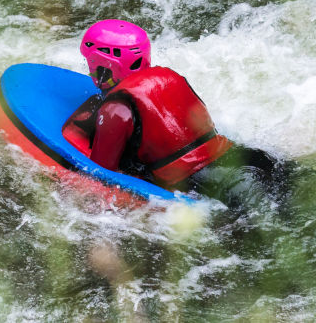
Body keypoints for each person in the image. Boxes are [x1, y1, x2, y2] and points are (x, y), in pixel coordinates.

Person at [62, 19, 290, 207]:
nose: (90, 71)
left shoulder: (116, 110)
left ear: (105, 65)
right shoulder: (172, 78)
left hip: (214, 186)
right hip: (251, 159)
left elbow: (102, 176)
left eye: (90, 64)